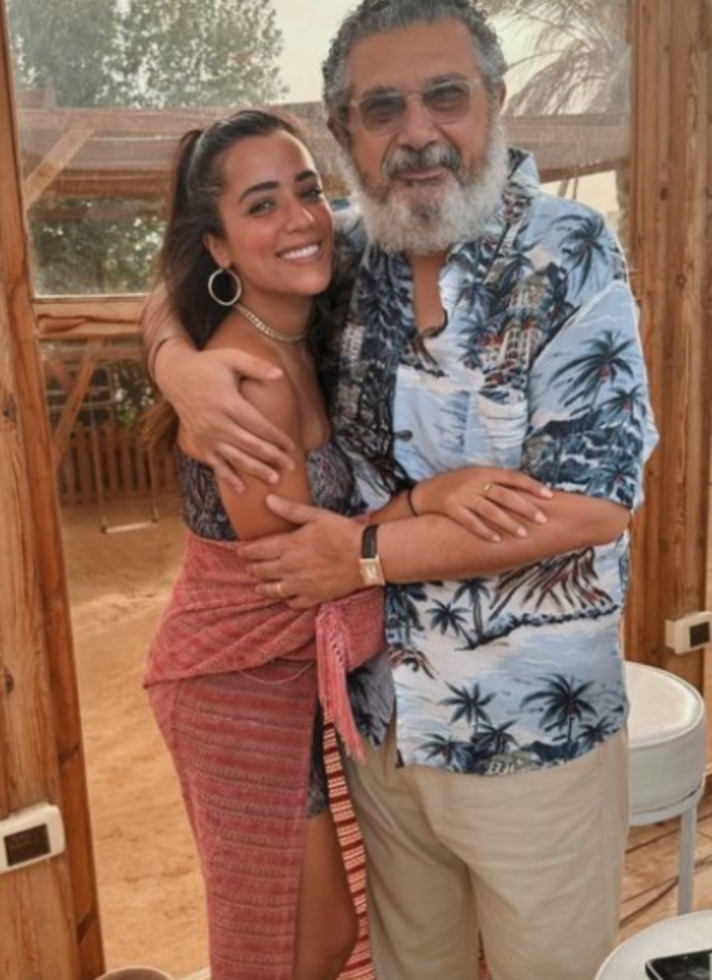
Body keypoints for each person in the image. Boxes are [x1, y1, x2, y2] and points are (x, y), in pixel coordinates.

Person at [142, 3, 658, 979]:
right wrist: (180, 367)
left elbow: (593, 502)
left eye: (445, 96)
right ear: (347, 131)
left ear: (495, 101)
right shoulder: (353, 246)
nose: (417, 132)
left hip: (527, 737)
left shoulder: (569, 250)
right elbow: (196, 263)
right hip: (381, 732)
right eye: (383, 108)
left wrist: (368, 552)